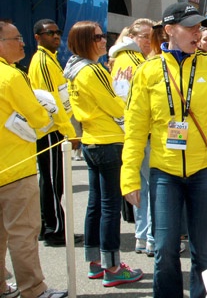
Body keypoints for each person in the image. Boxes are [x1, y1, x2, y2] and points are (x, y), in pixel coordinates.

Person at [121, 3, 207, 298]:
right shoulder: (148, 72)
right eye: (189, 26)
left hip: (204, 168)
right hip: (164, 171)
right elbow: (136, 129)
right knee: (164, 248)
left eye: (198, 26)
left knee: (203, 251)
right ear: (168, 30)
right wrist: (129, 177)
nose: (196, 32)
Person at [63, 21, 142, 287]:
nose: (103, 40)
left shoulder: (73, 69)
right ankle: (112, 266)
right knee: (108, 206)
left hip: (91, 140)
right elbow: (114, 105)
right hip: (109, 142)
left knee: (95, 204)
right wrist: (128, 101)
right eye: (97, 36)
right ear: (86, 40)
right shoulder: (92, 70)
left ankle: (96, 261)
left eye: (103, 35)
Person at [0, 21, 68, 298]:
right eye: (16, 38)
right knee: (22, 234)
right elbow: (39, 117)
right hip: (16, 168)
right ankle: (33, 289)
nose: (22, 43)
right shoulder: (12, 77)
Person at [28, 19, 83, 248]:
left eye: (57, 32)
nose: (55, 36)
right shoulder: (42, 62)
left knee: (53, 181)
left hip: (55, 129)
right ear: (38, 37)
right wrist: (68, 130)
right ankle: (54, 229)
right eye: (49, 32)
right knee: (52, 181)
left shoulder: (51, 60)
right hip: (51, 130)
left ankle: (47, 225)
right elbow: (53, 102)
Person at [108, 18, 156, 255]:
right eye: (145, 36)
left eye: (151, 36)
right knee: (152, 185)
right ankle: (151, 238)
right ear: (132, 37)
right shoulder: (134, 61)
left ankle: (142, 235)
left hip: (131, 131)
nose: (149, 41)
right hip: (142, 132)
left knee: (142, 187)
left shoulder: (123, 59)